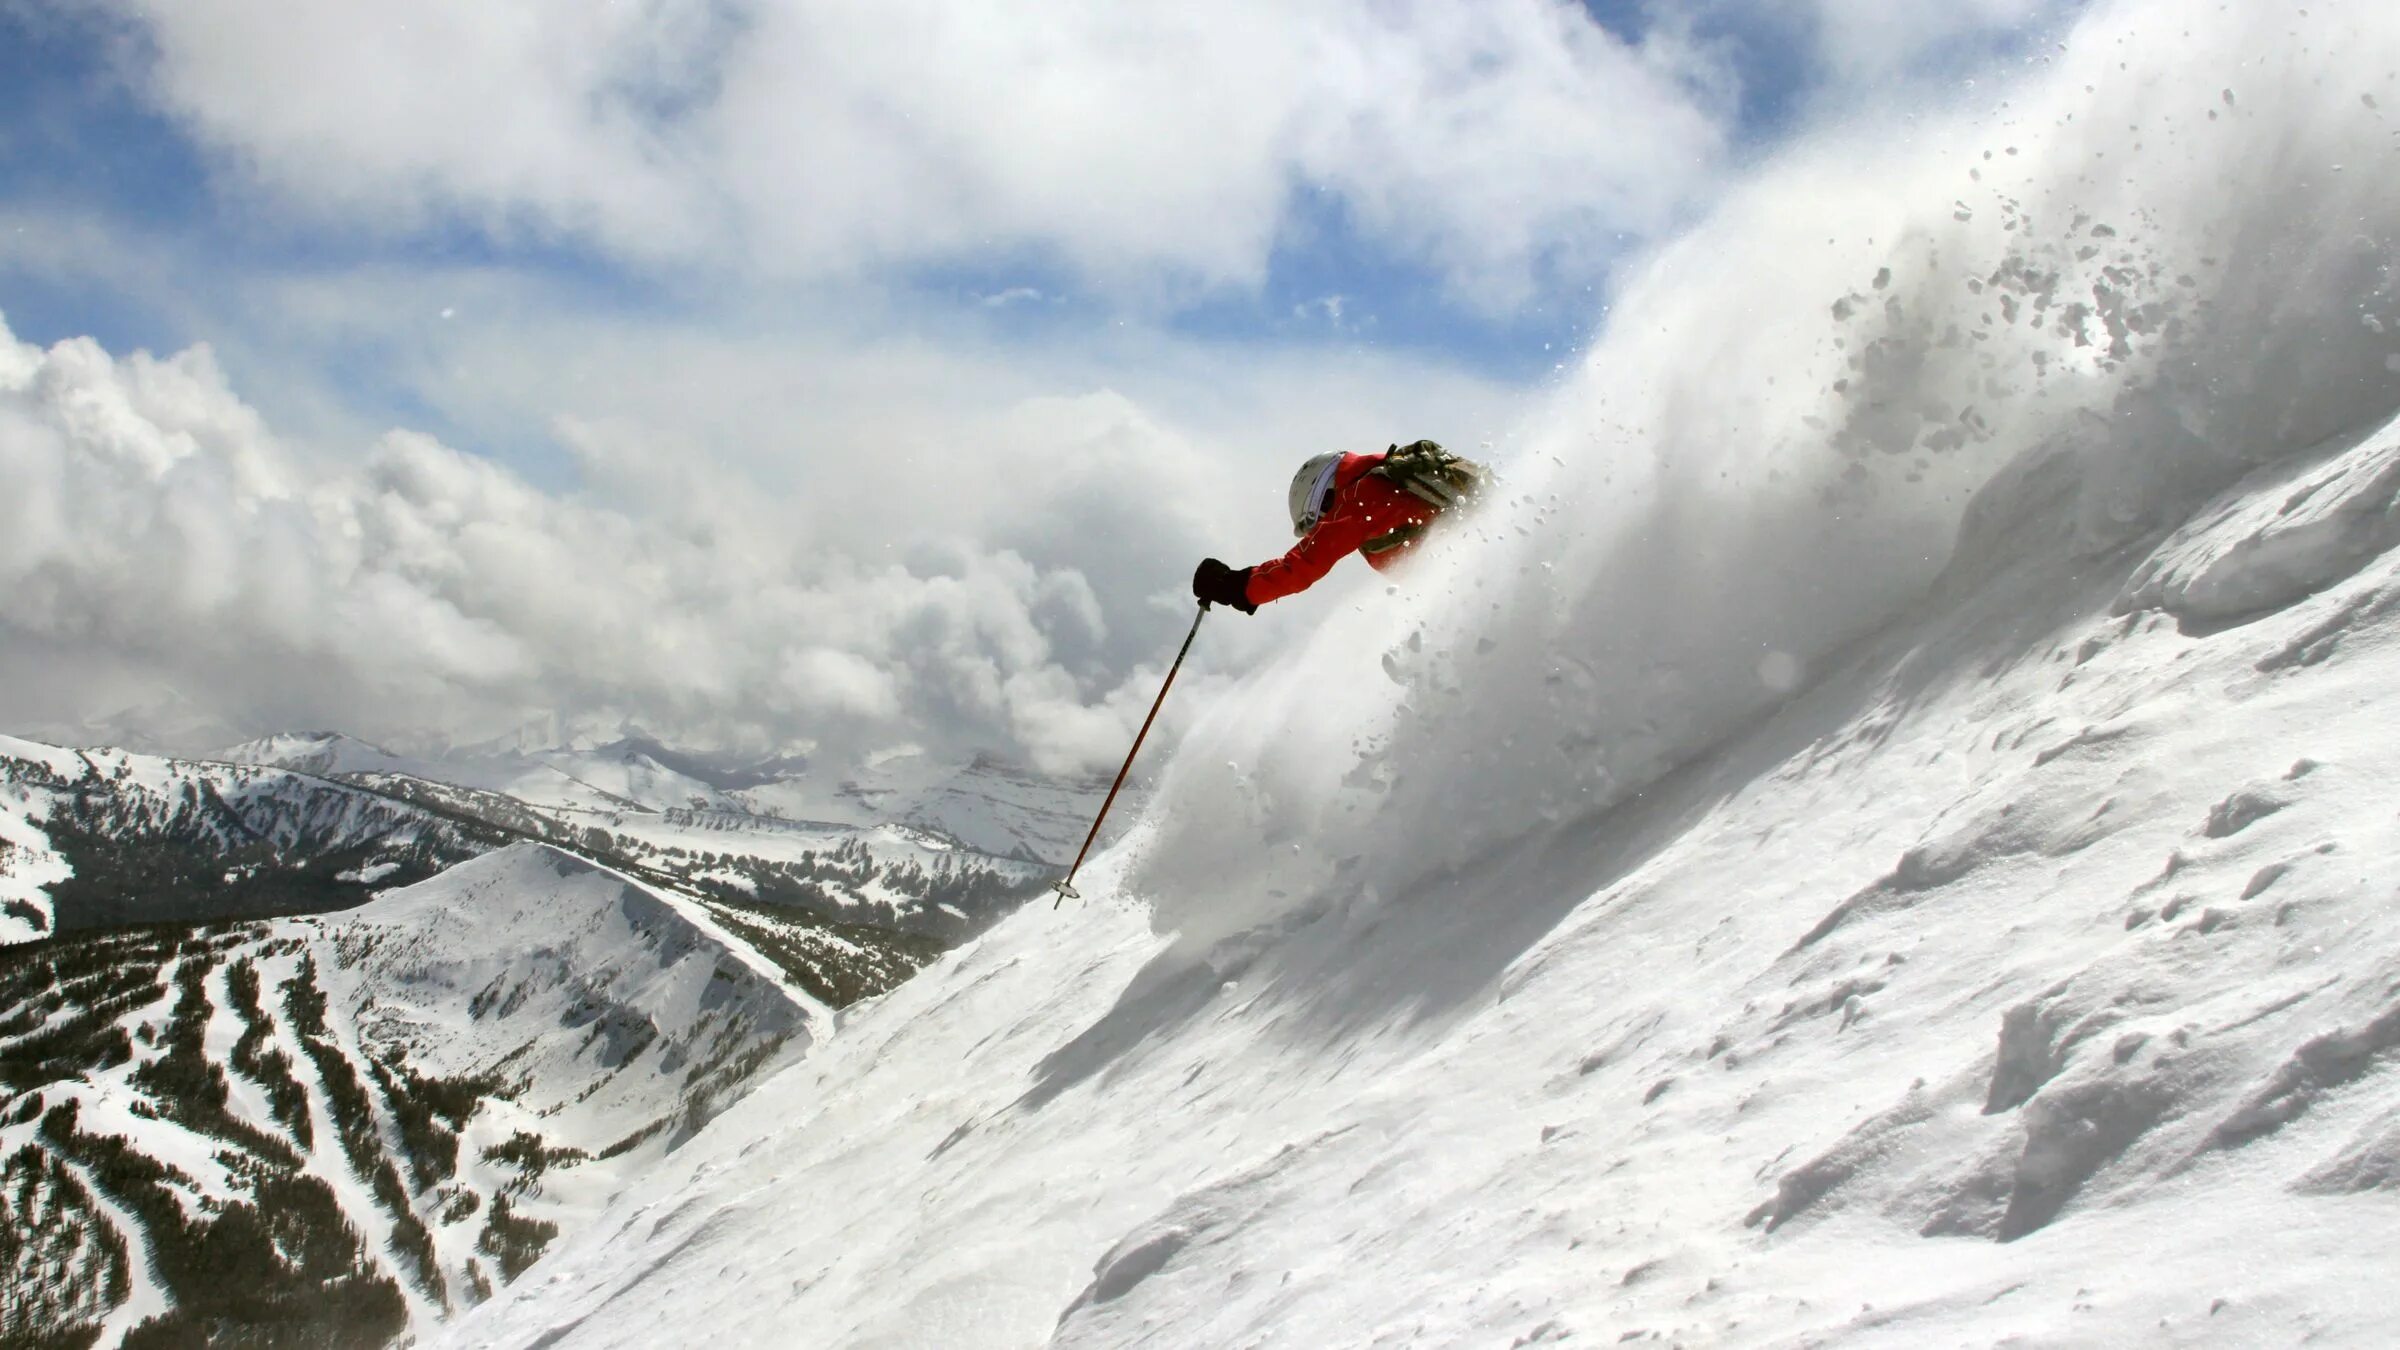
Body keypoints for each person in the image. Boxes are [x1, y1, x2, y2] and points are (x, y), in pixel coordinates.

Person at [1193, 441, 1481, 613]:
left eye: (1320, 522)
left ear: (1325, 497)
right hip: (1473, 569)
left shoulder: (1360, 498)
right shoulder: (1387, 480)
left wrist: (1238, 586)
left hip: (1471, 577)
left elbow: (1305, 563)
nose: (1323, 529)